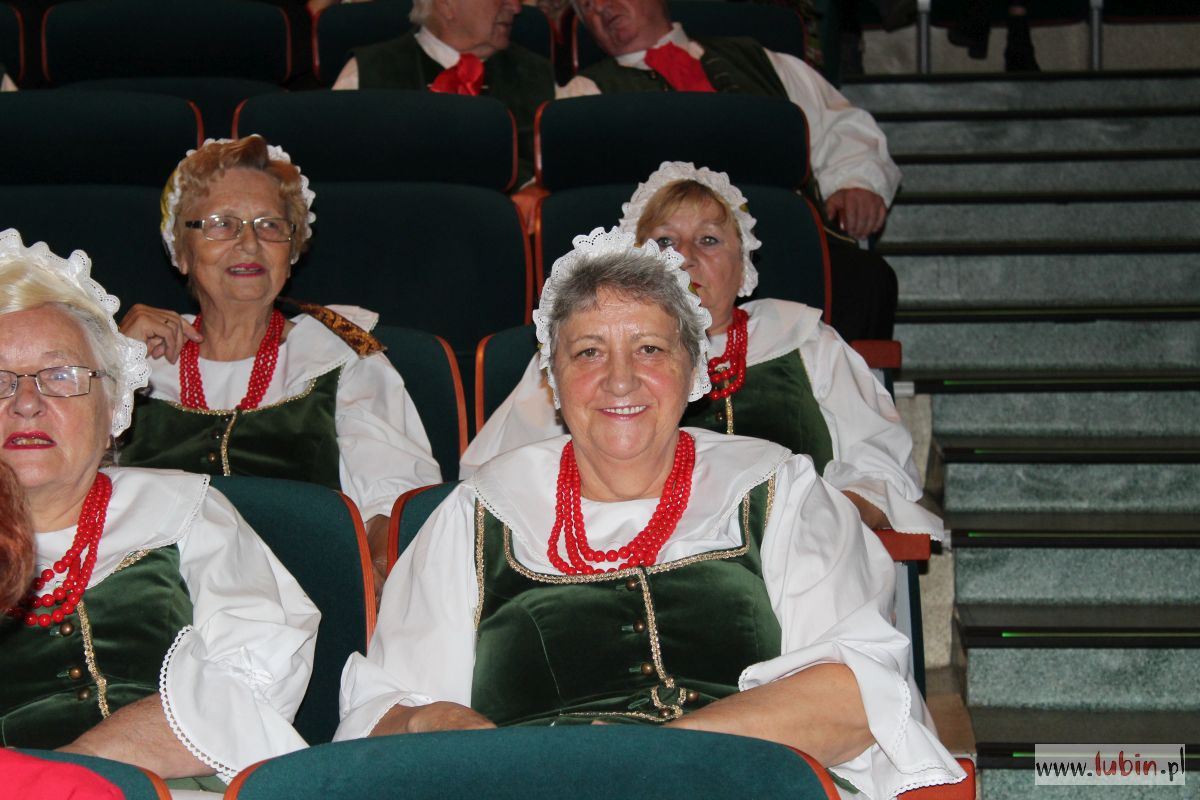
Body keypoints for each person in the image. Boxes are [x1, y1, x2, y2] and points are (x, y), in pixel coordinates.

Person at [336, 229, 963, 798]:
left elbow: (857, 694)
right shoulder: (479, 513)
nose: (620, 381)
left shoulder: (780, 489)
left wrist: (649, 762)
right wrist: (433, 722)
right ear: (552, 378)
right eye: (588, 352)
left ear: (693, 370)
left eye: (650, 349)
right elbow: (386, 713)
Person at [462, 163, 940, 539]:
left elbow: (880, 465)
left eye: (709, 239)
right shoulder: (584, 353)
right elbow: (499, 474)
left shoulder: (806, 340)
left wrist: (825, 529)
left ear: (743, 264)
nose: (686, 256)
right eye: (665, 241)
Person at [0, 228, 319, 787]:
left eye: (61, 376)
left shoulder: (183, 509)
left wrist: (70, 774)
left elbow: (259, 669)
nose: (27, 403)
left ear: (113, 408)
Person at [116, 136, 441, 591]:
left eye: (270, 225)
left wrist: (382, 579)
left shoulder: (338, 356)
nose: (249, 243)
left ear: (291, 251)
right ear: (182, 251)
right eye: (221, 224)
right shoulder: (131, 358)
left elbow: (396, 506)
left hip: (304, 599)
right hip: (148, 599)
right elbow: (64, 493)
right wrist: (111, 367)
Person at [562, 0, 900, 341]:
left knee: (865, 278)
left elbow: (839, 126)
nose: (601, 8)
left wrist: (856, 181)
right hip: (674, 257)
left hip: (788, 244)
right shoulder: (582, 95)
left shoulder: (763, 62)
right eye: (586, 6)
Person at [332, 0, 555, 187]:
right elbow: (339, 182)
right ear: (446, 4)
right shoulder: (365, 75)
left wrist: (537, 191)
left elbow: (562, 173)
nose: (516, 7)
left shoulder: (539, 76)